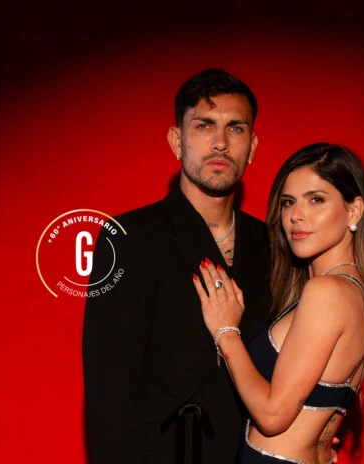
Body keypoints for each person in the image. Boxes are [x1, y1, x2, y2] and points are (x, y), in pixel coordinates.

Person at [82, 69, 273, 463]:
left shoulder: (274, 245)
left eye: (235, 128)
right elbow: (109, 393)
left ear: (252, 146)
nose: (220, 143)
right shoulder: (130, 238)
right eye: (204, 125)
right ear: (176, 140)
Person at [193, 143, 364, 463]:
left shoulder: (326, 292)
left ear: (354, 211)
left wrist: (226, 330)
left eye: (316, 199)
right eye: (288, 202)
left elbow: (272, 416)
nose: (296, 215)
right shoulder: (357, 294)